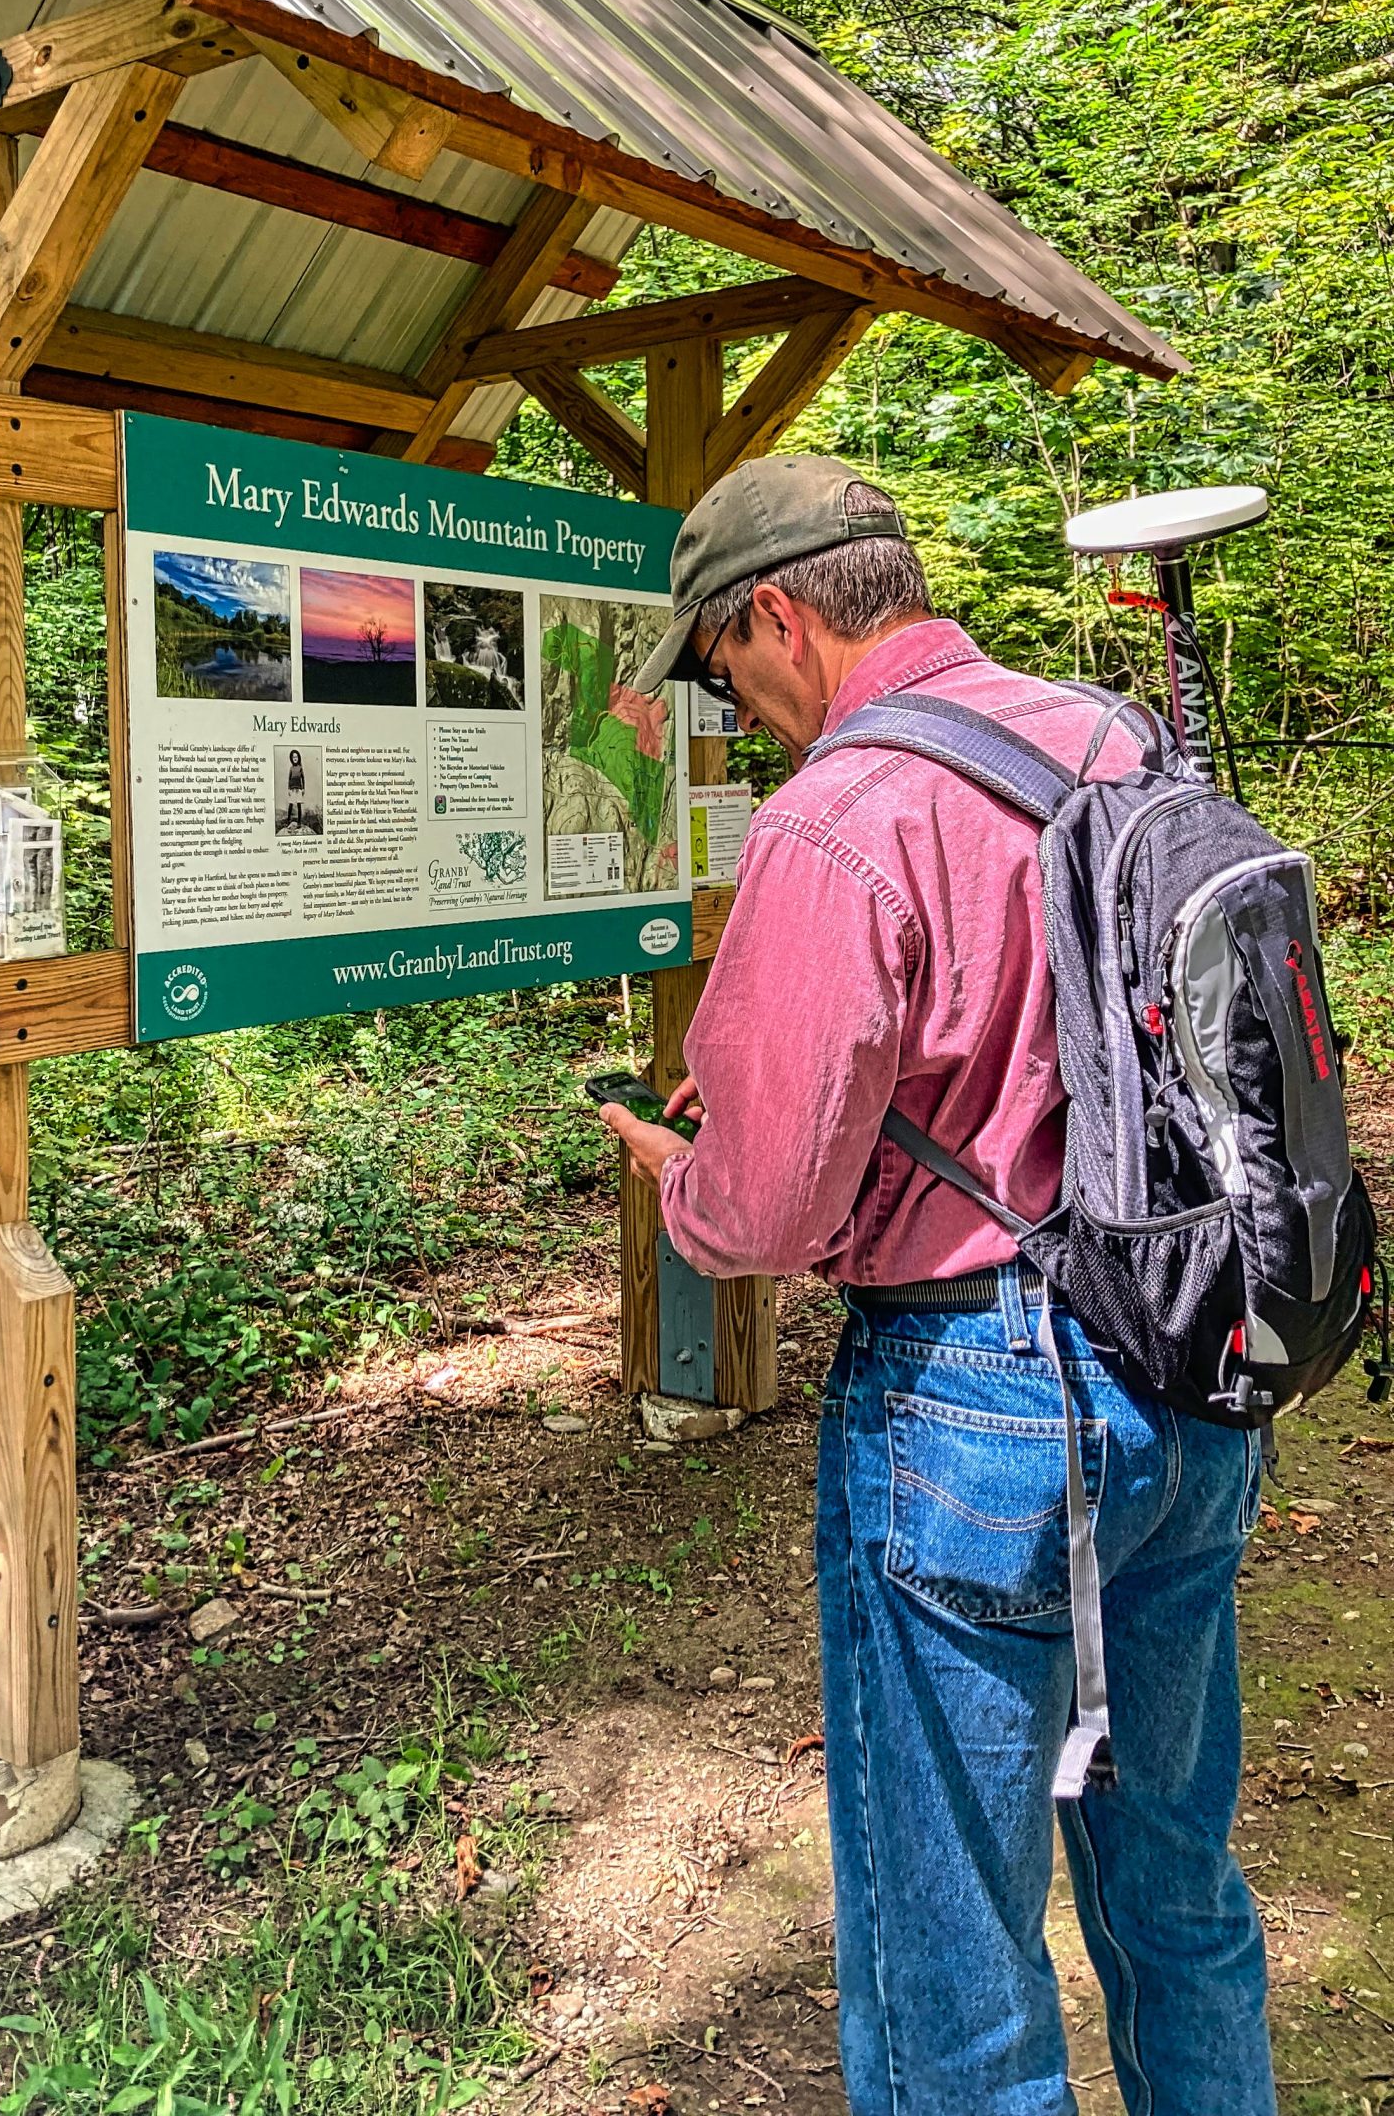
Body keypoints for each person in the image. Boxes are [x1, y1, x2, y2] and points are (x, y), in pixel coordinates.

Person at [598, 454, 1272, 2116]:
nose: (735, 705)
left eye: (722, 666)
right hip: (1187, 1365)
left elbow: (762, 1211)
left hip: (977, 1410)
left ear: (775, 616)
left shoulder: (834, 821)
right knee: (1177, 1894)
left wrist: (685, 1178)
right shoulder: (1111, 738)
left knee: (951, 1966)